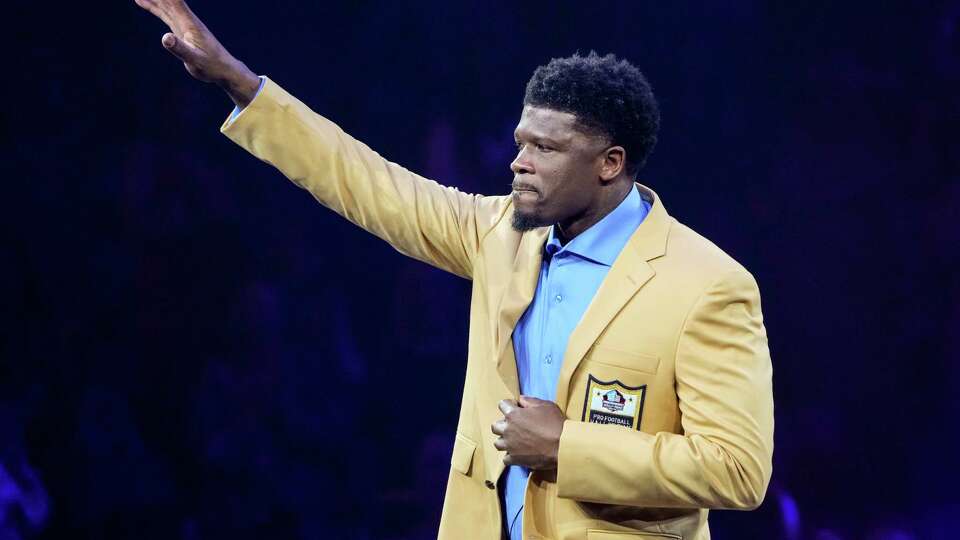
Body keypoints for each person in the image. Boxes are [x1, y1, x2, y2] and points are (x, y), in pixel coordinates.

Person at [135, 1, 775, 538]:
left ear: (610, 163)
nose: (517, 162)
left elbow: (737, 469)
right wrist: (240, 82)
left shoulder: (707, 286)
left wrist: (566, 448)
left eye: (544, 149)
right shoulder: (498, 233)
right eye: (520, 141)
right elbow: (364, 181)